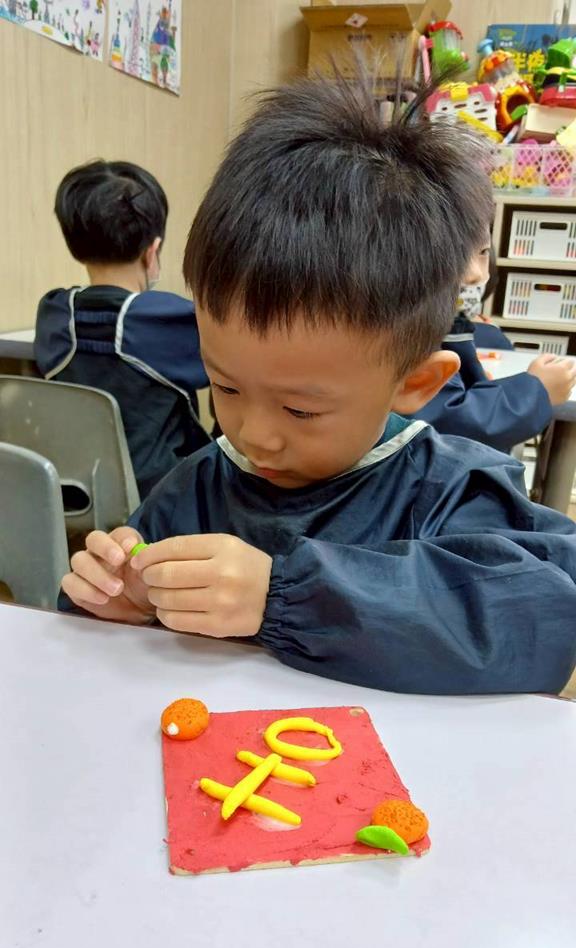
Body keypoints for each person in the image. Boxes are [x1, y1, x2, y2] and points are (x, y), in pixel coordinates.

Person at [60, 74, 576, 697]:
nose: (254, 435)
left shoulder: (450, 491)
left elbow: (545, 617)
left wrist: (282, 595)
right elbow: (118, 649)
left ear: (416, 382)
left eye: (300, 410)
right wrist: (121, 605)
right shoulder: (197, 487)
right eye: (225, 387)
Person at [34, 160, 210, 497]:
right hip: (162, 498)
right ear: (151, 252)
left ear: (75, 247)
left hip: (79, 495)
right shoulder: (168, 320)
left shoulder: (55, 313)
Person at [416, 244, 576, 451]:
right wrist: (536, 391)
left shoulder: (449, 327)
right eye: (458, 253)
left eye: (483, 252)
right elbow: (452, 425)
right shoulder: (413, 337)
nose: (476, 274)